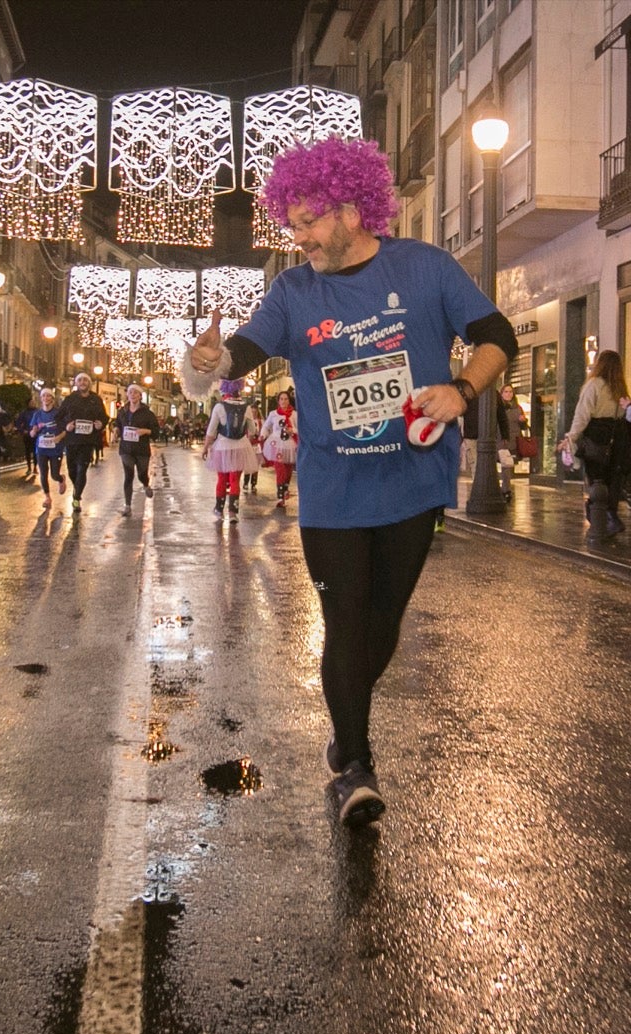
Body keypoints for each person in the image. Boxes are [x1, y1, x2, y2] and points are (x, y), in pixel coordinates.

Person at [183, 136, 516, 828]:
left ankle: (345, 718)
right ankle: (356, 766)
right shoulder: (294, 289)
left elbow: (497, 335)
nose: (298, 235)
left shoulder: (424, 268)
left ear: (353, 208)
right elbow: (247, 345)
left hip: (413, 477)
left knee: (382, 621)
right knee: (343, 618)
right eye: (293, 222)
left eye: (309, 221)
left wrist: (460, 389)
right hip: (333, 485)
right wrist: (215, 359)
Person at [562, 348, 631, 542]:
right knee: (612, 479)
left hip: (597, 437)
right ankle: (609, 518)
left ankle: (604, 521)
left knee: (596, 480)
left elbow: (582, 415)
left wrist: (571, 437)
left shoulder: (594, 385)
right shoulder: (620, 389)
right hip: (618, 438)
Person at [202, 379, 259, 524]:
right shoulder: (246, 407)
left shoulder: (219, 407)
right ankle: (233, 512)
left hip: (222, 446)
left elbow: (211, 431)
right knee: (235, 480)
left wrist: (206, 447)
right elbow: (252, 431)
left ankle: (219, 509)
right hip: (240, 447)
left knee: (221, 479)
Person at [55, 372, 109, 510]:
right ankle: (76, 488)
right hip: (72, 440)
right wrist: (66, 426)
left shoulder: (96, 399)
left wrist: (100, 424)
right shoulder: (69, 399)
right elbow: (58, 417)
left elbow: (104, 417)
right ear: (76, 383)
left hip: (88, 440)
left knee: (82, 470)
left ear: (89, 383)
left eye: (85, 380)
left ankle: (76, 498)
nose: (83, 382)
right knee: (72, 471)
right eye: (80, 380)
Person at [112, 384, 159, 516]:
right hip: (126, 449)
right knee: (128, 476)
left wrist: (145, 431)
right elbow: (117, 424)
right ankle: (127, 506)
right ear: (127, 395)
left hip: (141, 449)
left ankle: (145, 484)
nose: (132, 395)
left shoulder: (148, 413)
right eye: (130, 392)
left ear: (140, 396)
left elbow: (156, 432)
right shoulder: (123, 411)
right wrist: (115, 430)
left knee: (141, 474)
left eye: (135, 393)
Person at [26, 387, 66, 508]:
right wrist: (33, 432)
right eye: (43, 396)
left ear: (52, 399)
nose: (46, 398)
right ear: (41, 399)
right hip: (41, 448)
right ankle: (47, 497)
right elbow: (33, 430)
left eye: (48, 396)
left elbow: (66, 429)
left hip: (55, 448)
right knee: (43, 473)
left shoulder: (58, 413)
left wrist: (59, 437)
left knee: (54, 474)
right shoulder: (37, 414)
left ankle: (60, 479)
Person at [260, 389, 299, 508]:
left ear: (289, 400)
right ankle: (280, 496)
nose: (283, 401)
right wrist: (263, 434)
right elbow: (266, 426)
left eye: (286, 399)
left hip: (290, 444)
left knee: (287, 470)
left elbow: (301, 429)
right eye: (281, 399)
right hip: (276, 444)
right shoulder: (273, 414)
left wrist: (293, 431)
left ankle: (285, 489)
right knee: (280, 469)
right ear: (278, 401)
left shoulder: (294, 414)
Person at [494, 383, 528, 502]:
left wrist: (523, 421)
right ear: (501, 394)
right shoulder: (497, 407)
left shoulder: (518, 408)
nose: (508, 394)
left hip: (514, 441)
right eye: (506, 392)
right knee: (504, 464)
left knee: (507, 466)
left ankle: (506, 489)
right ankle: (504, 490)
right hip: (501, 440)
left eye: (510, 392)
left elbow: (524, 427)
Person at [13, 401, 38, 480]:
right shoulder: (24, 413)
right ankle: (29, 467)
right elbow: (18, 423)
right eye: (31, 402)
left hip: (35, 435)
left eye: (34, 403)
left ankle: (35, 467)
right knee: (27, 452)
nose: (33, 404)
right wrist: (22, 430)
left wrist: (38, 430)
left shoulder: (38, 412)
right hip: (27, 435)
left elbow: (41, 422)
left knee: (35, 452)